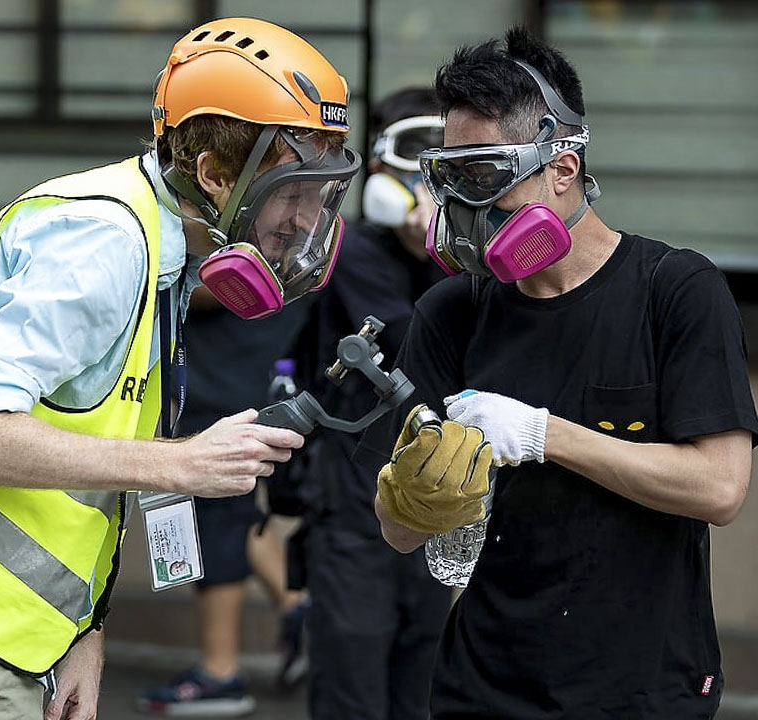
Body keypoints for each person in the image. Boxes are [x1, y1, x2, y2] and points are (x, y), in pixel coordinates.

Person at [0, 17, 361, 720]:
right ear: (216, 175)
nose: (309, 220)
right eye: (294, 190)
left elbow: (85, 475)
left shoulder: (166, 260)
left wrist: (84, 632)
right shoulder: (105, 242)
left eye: (322, 191)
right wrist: (179, 464)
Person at [365, 26, 758, 719]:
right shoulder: (452, 310)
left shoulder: (675, 291)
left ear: (563, 169)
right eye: (451, 178)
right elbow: (397, 531)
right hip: (483, 686)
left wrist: (545, 434)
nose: (467, 208)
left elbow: (720, 488)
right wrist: (418, 499)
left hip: (644, 690)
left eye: (485, 178)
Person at [289, 86, 453, 720]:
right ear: (379, 171)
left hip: (438, 498)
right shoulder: (347, 251)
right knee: (352, 681)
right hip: (357, 500)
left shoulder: (475, 267)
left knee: (425, 683)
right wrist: (440, 254)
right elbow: (416, 343)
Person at [136, 286, 311, 717]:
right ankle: (302, 612)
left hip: (231, 362)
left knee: (217, 504)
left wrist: (158, 277)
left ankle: (220, 672)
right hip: (269, 356)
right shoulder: (310, 224)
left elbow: (227, 282)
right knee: (236, 504)